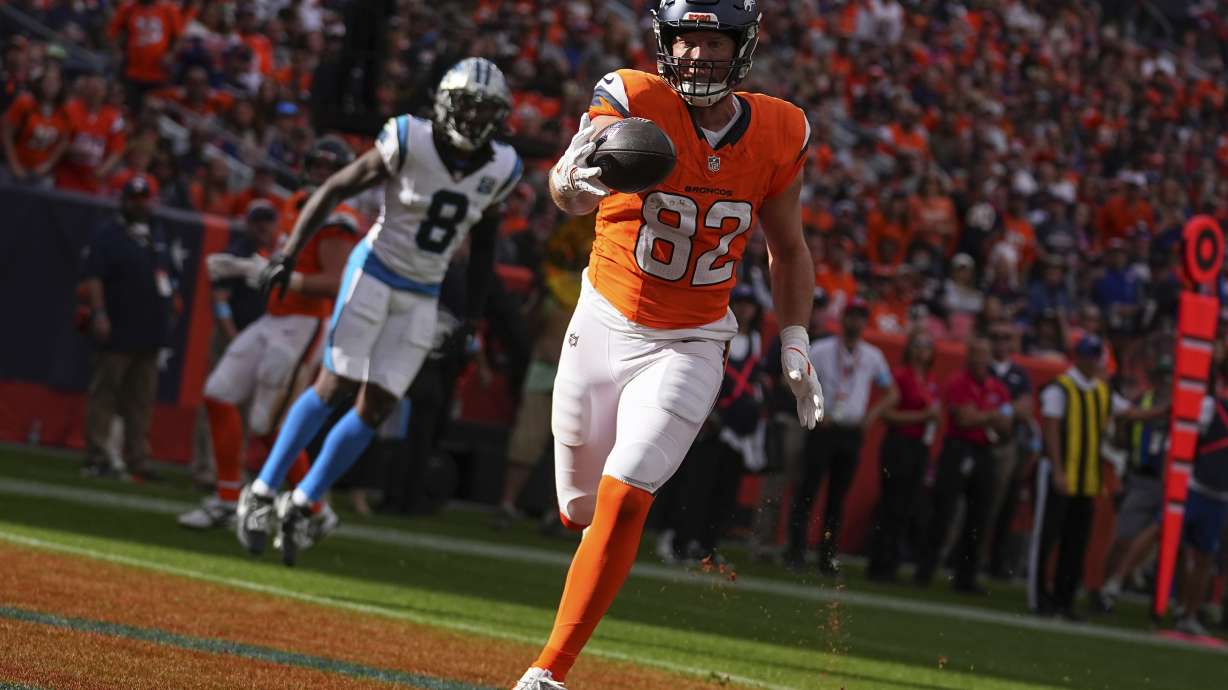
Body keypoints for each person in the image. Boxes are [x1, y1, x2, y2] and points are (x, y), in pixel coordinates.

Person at [513, 2, 825, 686]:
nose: (697, 55)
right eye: (686, 40)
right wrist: (577, 181)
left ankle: (547, 673)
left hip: (690, 341)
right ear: (665, 43)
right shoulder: (632, 95)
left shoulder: (780, 128)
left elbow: (789, 247)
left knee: (627, 498)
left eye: (713, 41)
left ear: (741, 49)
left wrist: (795, 336)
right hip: (600, 322)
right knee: (578, 509)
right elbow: (565, 187)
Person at [236, 57, 521, 566]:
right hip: (374, 270)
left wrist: (473, 318)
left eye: (486, 113)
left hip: (423, 290)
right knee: (335, 385)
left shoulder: (501, 167)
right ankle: (260, 491)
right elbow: (335, 187)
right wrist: (289, 251)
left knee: (379, 405)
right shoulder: (408, 138)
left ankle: (305, 502)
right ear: (444, 104)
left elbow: (484, 246)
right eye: (468, 108)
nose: (475, 121)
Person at [176, 156, 360, 533]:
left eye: (331, 167)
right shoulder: (293, 203)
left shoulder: (338, 217)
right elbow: (284, 262)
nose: (321, 172)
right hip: (273, 318)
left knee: (268, 423)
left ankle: (316, 508)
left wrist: (281, 279)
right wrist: (246, 267)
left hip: (303, 323)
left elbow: (334, 281)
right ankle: (228, 499)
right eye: (318, 164)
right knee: (218, 393)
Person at [1028, 335, 1135, 619]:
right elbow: (1051, 429)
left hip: (1087, 479)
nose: (1092, 361)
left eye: (1095, 355)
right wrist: (1059, 470)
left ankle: (1065, 600)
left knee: (1076, 543)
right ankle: (1039, 597)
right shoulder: (1060, 388)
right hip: (1060, 474)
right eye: (1088, 355)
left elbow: (1131, 412)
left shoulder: (1101, 390)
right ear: (1078, 357)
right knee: (1048, 537)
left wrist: (1168, 410)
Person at [787, 298, 896, 577]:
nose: (855, 322)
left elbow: (892, 392)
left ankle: (827, 556)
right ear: (843, 318)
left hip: (850, 432)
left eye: (861, 317)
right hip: (824, 429)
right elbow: (799, 381)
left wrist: (870, 417)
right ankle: (796, 551)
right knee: (807, 491)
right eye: (852, 316)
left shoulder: (872, 355)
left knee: (837, 498)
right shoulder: (822, 349)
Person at [80, 176, 175, 481]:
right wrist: (98, 313)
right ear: (123, 200)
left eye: (144, 197)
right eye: (134, 197)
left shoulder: (158, 232)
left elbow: (166, 276)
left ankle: (138, 458)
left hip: (150, 328)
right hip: (118, 324)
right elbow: (93, 276)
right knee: (105, 393)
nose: (139, 203)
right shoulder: (108, 233)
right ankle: (98, 455)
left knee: (141, 400)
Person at [914, 335, 1011, 593]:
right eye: (975, 353)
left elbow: (1007, 424)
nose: (979, 359)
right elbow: (964, 420)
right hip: (958, 449)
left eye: (983, 353)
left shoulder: (997, 387)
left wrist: (984, 417)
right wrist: (991, 416)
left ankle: (965, 577)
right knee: (943, 511)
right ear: (968, 356)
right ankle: (925, 569)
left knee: (979, 516)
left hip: (984, 452)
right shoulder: (958, 382)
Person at [866, 328, 941, 582]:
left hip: (919, 445)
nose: (922, 351)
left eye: (927, 346)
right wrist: (922, 416)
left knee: (907, 506)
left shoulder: (929, 379)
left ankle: (892, 561)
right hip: (900, 443)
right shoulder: (900, 376)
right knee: (892, 503)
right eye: (918, 345)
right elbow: (888, 415)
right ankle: (880, 563)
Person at [1098, 355, 1172, 611]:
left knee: (1159, 537)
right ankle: (1103, 586)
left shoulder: (1188, 407)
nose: (1166, 381)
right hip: (1142, 477)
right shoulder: (1144, 400)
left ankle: (1123, 583)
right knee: (1124, 537)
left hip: (1171, 483)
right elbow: (1121, 428)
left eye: (1170, 377)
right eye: (1162, 376)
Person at [985, 320, 1036, 579]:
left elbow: (1025, 406)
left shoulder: (1019, 373)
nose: (1001, 343)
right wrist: (1002, 411)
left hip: (1007, 443)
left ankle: (996, 561)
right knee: (977, 503)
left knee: (1005, 503)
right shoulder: (983, 367)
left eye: (1006, 338)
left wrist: (1002, 411)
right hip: (979, 442)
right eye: (996, 337)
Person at [2, 62, 69, 186]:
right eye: (47, 80)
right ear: (40, 83)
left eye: (55, 81)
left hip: (40, 173)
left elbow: (64, 141)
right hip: (13, 169)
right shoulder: (24, 103)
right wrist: (14, 165)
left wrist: (48, 164)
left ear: (61, 85)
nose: (50, 85)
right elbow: (6, 134)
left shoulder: (63, 112)